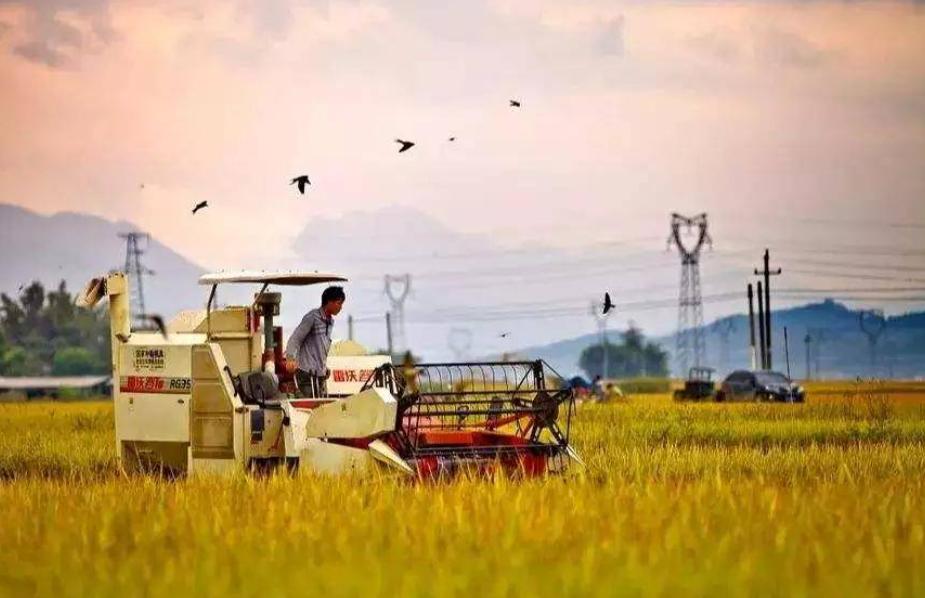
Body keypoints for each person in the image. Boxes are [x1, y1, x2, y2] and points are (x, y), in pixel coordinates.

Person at [284, 286, 345, 397]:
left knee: (322, 408)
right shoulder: (312, 317)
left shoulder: (330, 321)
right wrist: (290, 358)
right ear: (329, 302)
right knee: (311, 407)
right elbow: (295, 338)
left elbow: (320, 346)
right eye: (339, 303)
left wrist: (323, 367)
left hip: (320, 375)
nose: (341, 307)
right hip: (307, 374)